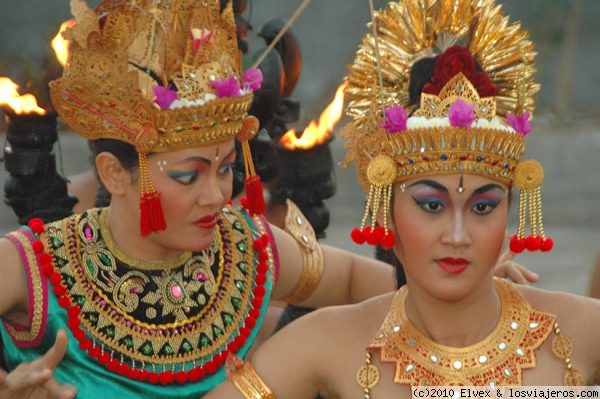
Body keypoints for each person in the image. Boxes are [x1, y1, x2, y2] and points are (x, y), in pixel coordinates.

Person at [0, 1, 536, 398]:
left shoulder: (244, 252)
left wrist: (464, 282)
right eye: (190, 176)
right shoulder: (32, 264)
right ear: (113, 174)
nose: (219, 195)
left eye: (228, 168)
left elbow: (354, 282)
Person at [205, 1, 600, 397]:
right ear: (387, 210)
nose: (458, 235)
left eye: (483, 207)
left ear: (510, 209)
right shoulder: (327, 345)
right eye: (431, 205)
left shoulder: (583, 333)